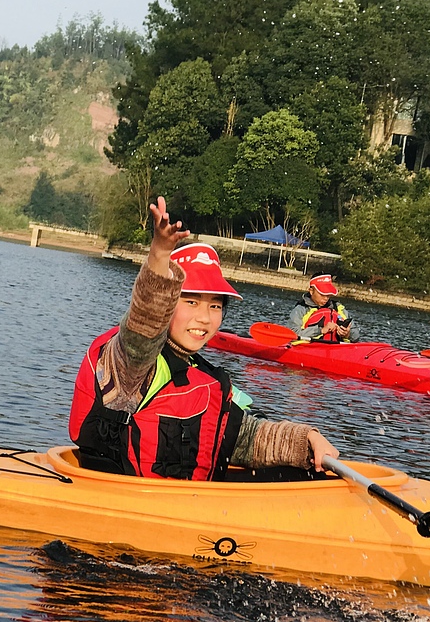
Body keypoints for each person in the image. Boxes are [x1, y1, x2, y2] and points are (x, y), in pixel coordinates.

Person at [70, 197, 338, 481]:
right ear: (168, 303)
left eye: (215, 305)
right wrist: (160, 256)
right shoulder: (131, 365)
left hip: (185, 505)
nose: (205, 318)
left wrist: (306, 440)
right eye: (192, 303)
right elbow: (144, 323)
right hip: (120, 501)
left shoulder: (202, 377)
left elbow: (245, 438)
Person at [289, 274, 359, 343]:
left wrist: (347, 334)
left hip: (335, 351)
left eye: (328, 295)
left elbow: (356, 336)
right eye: (322, 294)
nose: (326, 298)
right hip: (306, 350)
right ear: (311, 291)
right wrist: (321, 330)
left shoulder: (339, 308)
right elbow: (291, 335)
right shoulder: (301, 309)